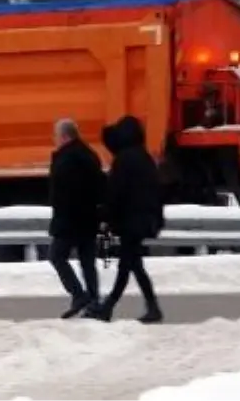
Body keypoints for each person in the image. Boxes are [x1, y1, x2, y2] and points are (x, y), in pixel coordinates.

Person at [87, 115, 165, 324]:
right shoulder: (143, 157)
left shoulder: (124, 160)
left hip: (131, 220)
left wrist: (105, 216)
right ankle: (144, 306)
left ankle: (110, 307)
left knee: (129, 264)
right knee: (131, 264)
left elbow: (115, 193)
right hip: (143, 219)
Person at [47, 118, 107, 319]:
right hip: (89, 218)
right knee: (87, 261)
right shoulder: (89, 155)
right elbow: (100, 186)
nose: (54, 139)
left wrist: (60, 217)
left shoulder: (65, 159)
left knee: (57, 256)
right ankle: (94, 301)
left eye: (56, 135)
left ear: (64, 136)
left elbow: (63, 192)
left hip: (70, 219)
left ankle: (78, 294)